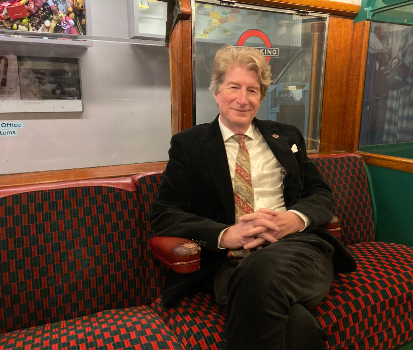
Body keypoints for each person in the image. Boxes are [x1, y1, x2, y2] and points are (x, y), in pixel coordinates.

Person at [150, 45, 356, 350]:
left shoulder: (287, 137)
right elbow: (164, 213)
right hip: (230, 261)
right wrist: (224, 234)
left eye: (253, 90)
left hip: (298, 249)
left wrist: (294, 219)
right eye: (234, 87)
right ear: (217, 91)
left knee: (260, 272)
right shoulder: (189, 146)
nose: (243, 99)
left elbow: (320, 194)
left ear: (261, 96)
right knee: (300, 329)